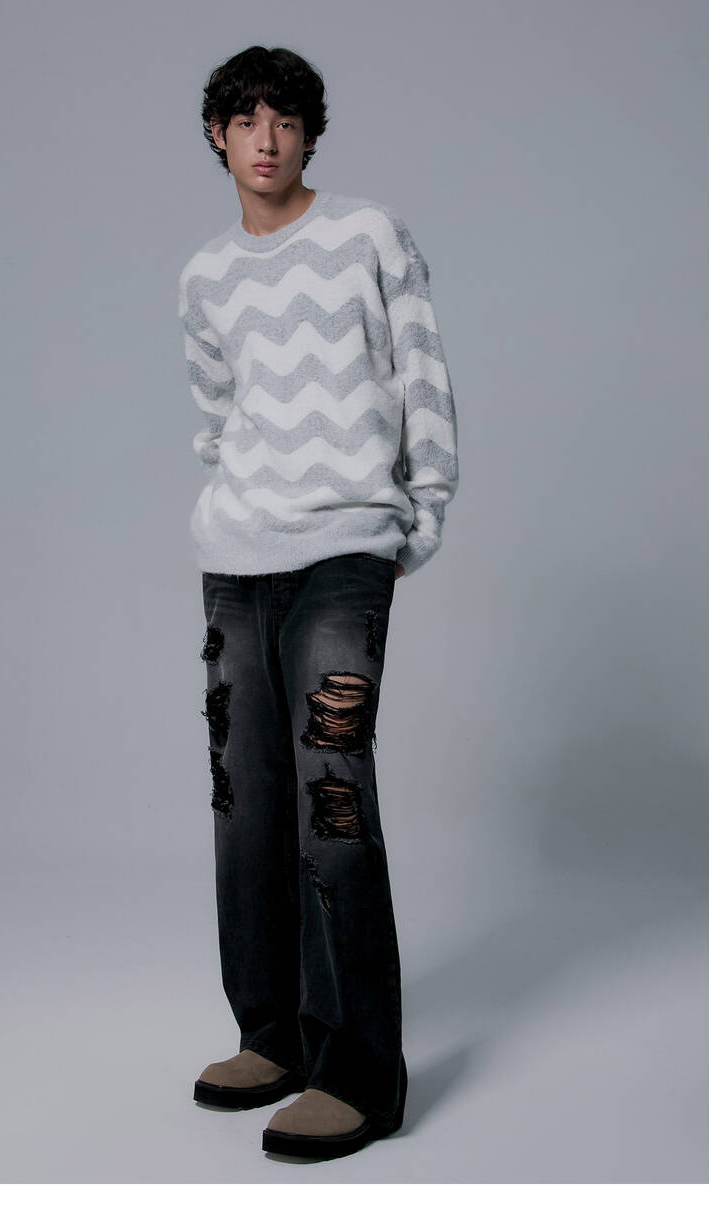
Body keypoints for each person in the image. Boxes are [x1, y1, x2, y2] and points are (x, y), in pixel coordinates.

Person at [178, 44, 459, 1161]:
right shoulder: (204, 275)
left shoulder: (369, 236)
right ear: (218, 135)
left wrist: (419, 515)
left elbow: (422, 373)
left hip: (345, 549)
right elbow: (215, 414)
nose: (267, 139)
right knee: (245, 801)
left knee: (331, 793)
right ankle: (275, 1034)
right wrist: (237, 500)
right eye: (246, 120)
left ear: (308, 134)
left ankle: (361, 1072)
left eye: (286, 119)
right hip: (235, 560)